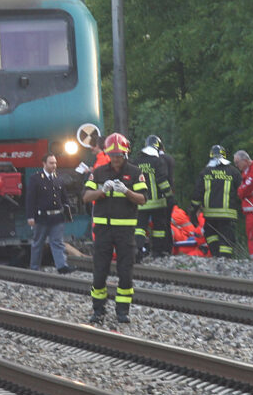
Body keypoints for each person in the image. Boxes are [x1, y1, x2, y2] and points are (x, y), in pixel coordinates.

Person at [83, 133, 149, 324]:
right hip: (103, 230)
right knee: (99, 272)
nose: (116, 159)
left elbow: (143, 199)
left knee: (125, 272)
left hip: (125, 232)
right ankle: (98, 310)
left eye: (119, 156)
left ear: (125, 154)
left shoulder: (136, 173)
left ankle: (122, 311)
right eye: (112, 155)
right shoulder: (99, 172)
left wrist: (127, 191)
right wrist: (101, 192)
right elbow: (86, 197)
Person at [26, 153, 75, 274]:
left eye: (55, 163)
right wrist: (30, 216)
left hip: (57, 216)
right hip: (42, 217)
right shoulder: (36, 179)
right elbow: (30, 199)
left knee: (57, 242)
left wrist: (68, 211)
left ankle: (61, 266)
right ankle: (34, 267)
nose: (54, 165)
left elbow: (64, 197)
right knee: (38, 242)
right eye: (51, 163)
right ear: (44, 164)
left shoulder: (58, 179)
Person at [193, 144, 241, 258]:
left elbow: (198, 193)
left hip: (210, 214)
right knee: (226, 236)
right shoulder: (233, 172)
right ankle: (225, 259)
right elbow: (241, 191)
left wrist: (193, 209)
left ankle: (215, 255)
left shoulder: (205, 172)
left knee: (210, 233)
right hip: (228, 214)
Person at [131, 135, 172, 261]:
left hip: (141, 202)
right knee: (159, 228)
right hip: (157, 203)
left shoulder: (136, 162)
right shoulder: (158, 161)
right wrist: (169, 195)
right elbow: (162, 181)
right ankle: (157, 253)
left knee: (140, 228)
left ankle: (137, 251)